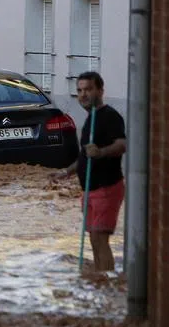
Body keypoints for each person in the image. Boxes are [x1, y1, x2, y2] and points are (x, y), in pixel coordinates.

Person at [51, 71, 128, 273]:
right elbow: (84, 156)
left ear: (100, 91)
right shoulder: (90, 119)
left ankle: (107, 280)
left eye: (88, 89)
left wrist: (101, 152)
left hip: (107, 187)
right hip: (90, 189)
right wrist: (65, 172)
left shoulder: (109, 116)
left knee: (100, 238)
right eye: (79, 90)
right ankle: (100, 282)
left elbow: (122, 144)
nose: (83, 94)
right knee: (94, 239)